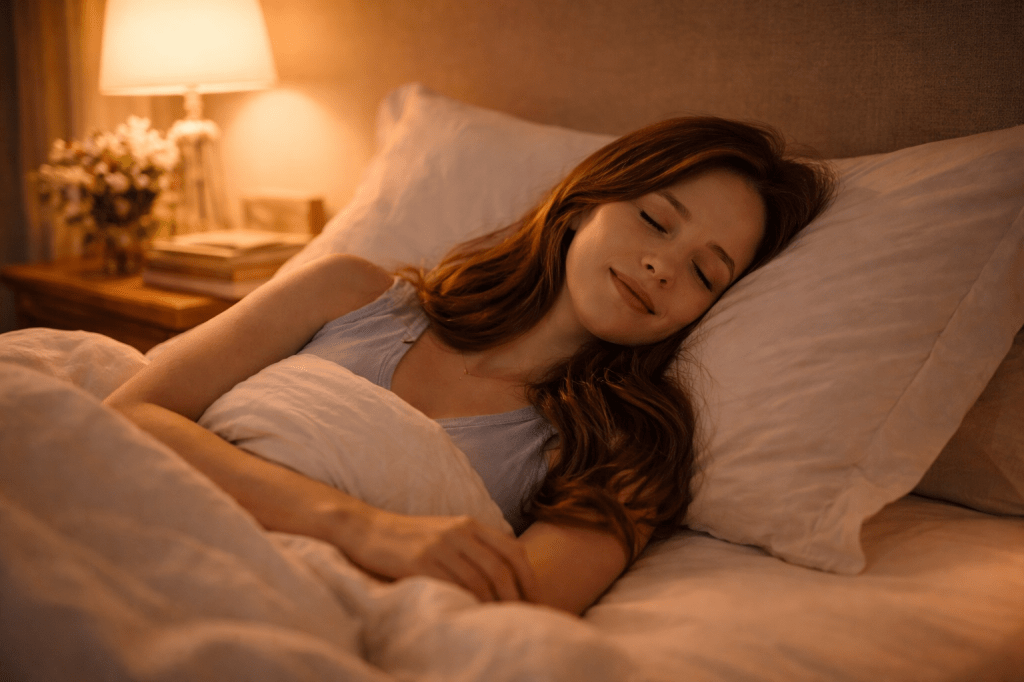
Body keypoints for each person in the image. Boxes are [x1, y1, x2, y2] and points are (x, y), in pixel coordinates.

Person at [105, 116, 835, 615]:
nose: (662, 264)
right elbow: (129, 417)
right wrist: (358, 526)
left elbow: (511, 607)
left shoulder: (620, 453)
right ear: (583, 205)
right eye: (654, 219)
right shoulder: (348, 293)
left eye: (706, 273)